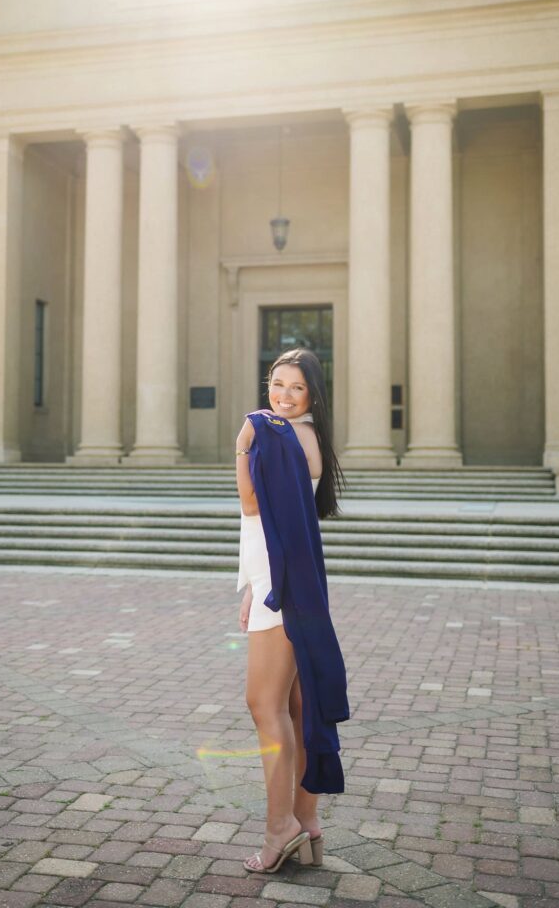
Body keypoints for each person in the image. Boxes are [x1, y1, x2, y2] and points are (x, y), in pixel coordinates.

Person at [235, 347, 349, 874]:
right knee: (299, 710)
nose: (281, 395)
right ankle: (306, 821)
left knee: (265, 704)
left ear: (313, 395)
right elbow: (276, 524)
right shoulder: (302, 435)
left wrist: (242, 447)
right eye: (275, 384)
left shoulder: (281, 435)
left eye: (295, 388)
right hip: (282, 582)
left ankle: (280, 828)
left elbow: (253, 505)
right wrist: (250, 586)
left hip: (284, 590)